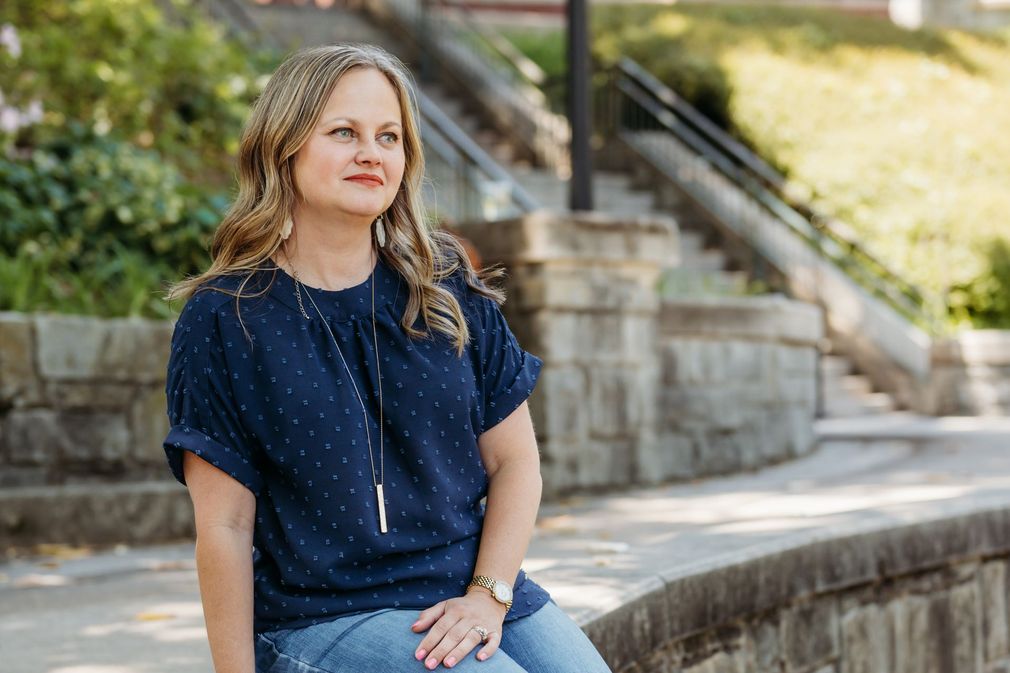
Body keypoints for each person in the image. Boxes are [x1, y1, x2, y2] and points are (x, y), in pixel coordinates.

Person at [162, 44, 613, 673]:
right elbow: (225, 526)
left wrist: (487, 597)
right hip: (324, 615)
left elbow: (515, 463)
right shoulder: (226, 316)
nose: (371, 153)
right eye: (344, 132)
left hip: (471, 590)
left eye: (389, 136)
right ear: (283, 145)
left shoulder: (445, 282)